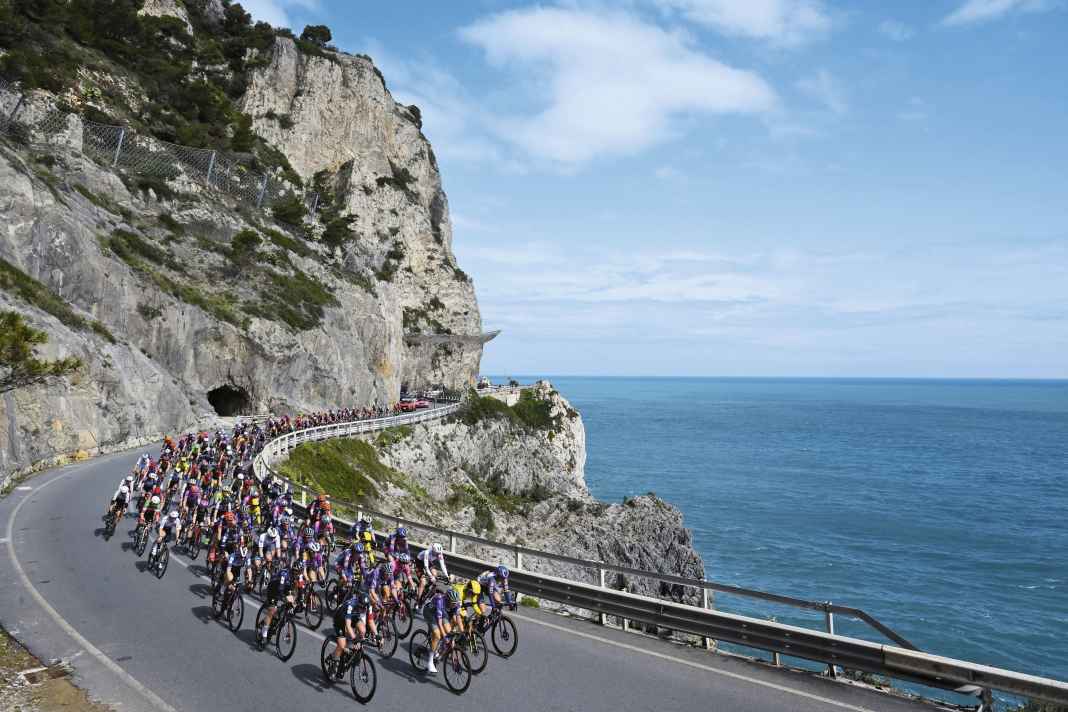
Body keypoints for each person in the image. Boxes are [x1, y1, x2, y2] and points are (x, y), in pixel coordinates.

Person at [329, 592, 371, 678]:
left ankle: (350, 653)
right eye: (361, 607)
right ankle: (334, 662)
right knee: (342, 645)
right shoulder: (351, 605)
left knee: (362, 630)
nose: (363, 610)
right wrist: (355, 640)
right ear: (358, 604)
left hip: (353, 616)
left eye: (364, 608)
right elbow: (348, 626)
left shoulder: (366, 606)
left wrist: (376, 636)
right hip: (340, 619)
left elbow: (369, 622)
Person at [422, 581, 462, 674]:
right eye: (452, 603)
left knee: (450, 633)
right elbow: (439, 623)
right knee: (438, 635)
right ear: (447, 599)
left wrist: (463, 632)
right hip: (429, 612)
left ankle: (441, 651)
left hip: (442, 613)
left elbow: (458, 618)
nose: (454, 605)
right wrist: (444, 636)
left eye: (455, 604)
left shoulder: (457, 602)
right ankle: (430, 661)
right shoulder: (440, 600)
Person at [259, 563, 298, 644]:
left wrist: (293, 601)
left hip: (284, 589)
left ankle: (274, 622)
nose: (296, 574)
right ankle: (264, 634)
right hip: (274, 589)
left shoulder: (296, 577)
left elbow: (294, 591)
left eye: (298, 572)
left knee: (288, 608)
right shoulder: (285, 574)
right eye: (295, 571)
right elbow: (280, 589)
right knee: (272, 610)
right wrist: (284, 599)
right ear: (292, 570)